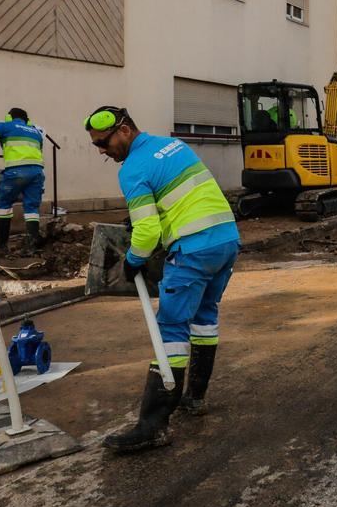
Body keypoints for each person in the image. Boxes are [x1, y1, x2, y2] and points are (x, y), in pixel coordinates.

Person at [84, 106, 240, 453]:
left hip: (193, 249)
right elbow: (178, 193)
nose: (102, 151)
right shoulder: (172, 145)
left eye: (104, 143)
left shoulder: (132, 169)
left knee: (170, 329)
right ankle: (195, 398)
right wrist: (142, 212)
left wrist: (134, 259)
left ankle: (153, 426)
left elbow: (148, 230)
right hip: (225, 240)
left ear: (123, 130)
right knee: (203, 318)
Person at [0, 108, 45, 252]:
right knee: (32, 207)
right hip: (37, 172)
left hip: (16, 171)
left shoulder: (5, 126)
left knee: (4, 205)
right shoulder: (36, 132)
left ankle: (2, 245)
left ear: (9, 117)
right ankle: (33, 244)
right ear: (27, 120)